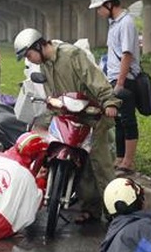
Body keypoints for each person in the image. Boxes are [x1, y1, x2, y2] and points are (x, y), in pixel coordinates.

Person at [13, 27, 121, 223]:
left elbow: (94, 79)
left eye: (29, 55)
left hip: (93, 115)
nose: (30, 60)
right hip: (70, 116)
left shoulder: (71, 54)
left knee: (99, 163)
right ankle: (91, 209)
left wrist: (109, 101)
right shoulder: (45, 65)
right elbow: (51, 94)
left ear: (38, 45)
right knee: (81, 163)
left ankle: (115, 212)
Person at [90, 0, 141, 175]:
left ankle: (128, 162)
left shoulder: (126, 23)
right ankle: (120, 158)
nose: (98, 12)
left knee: (128, 120)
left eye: (99, 8)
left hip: (125, 79)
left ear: (109, 4)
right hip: (115, 79)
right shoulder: (115, 24)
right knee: (118, 120)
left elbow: (127, 55)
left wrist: (120, 83)